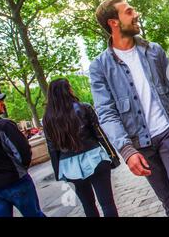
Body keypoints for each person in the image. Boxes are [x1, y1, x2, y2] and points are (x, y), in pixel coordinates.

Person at [90, 0, 169, 217]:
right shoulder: (99, 67)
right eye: (128, 11)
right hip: (140, 145)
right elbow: (106, 113)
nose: (136, 14)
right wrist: (126, 150)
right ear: (113, 22)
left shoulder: (154, 51)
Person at [42, 79, 119, 217]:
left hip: (69, 165)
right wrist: (112, 155)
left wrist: (58, 171)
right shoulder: (84, 107)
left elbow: (52, 148)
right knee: (107, 203)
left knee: (88, 205)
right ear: (68, 90)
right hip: (95, 156)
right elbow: (99, 134)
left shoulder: (48, 118)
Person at [0, 93, 45, 217]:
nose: (3, 103)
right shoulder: (4, 126)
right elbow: (23, 152)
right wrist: (21, 169)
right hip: (16, 181)